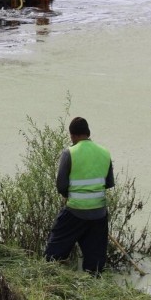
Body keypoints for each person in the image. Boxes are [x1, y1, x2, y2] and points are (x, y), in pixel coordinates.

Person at [44, 116, 115, 274]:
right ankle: (94, 287)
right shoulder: (105, 152)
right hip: (99, 214)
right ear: (88, 133)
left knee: (53, 253)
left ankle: (48, 279)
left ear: (72, 135)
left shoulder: (69, 152)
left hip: (75, 212)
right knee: (95, 263)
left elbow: (61, 185)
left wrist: (69, 195)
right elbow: (109, 183)